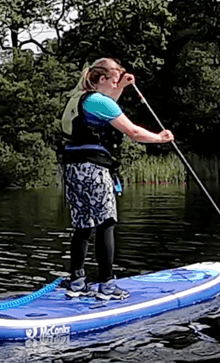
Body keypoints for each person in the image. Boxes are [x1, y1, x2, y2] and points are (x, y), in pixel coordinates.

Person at [60, 57, 174, 299]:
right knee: (105, 224)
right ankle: (106, 285)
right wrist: (160, 138)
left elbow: (108, 105)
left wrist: (121, 86)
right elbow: (132, 131)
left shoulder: (79, 99)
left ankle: (77, 281)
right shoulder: (99, 101)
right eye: (113, 80)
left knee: (83, 226)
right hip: (94, 169)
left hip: (73, 169)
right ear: (102, 79)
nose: (116, 84)